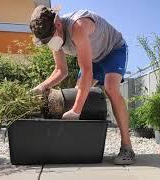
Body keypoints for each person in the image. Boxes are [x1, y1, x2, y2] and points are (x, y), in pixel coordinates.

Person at [29, 5, 135, 165]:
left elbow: (87, 71)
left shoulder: (77, 26)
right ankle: (82, 146)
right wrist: (42, 86)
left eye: (49, 39)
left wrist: (76, 111)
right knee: (78, 95)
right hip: (94, 57)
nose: (50, 44)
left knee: (110, 87)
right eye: (45, 42)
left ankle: (127, 147)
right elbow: (61, 70)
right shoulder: (53, 37)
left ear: (57, 24)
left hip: (113, 50)